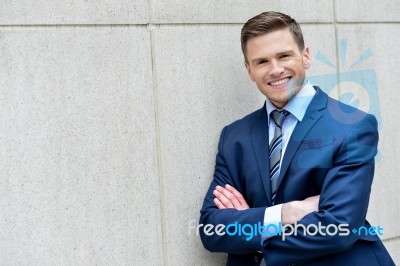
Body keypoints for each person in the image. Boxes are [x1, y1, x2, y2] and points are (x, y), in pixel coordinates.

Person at [199, 11, 395, 266]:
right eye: (262, 62)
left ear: (305, 56)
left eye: (284, 56)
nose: (275, 69)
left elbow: (337, 228)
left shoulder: (353, 126)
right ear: (249, 70)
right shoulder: (234, 136)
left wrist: (253, 228)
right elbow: (211, 229)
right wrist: (282, 214)